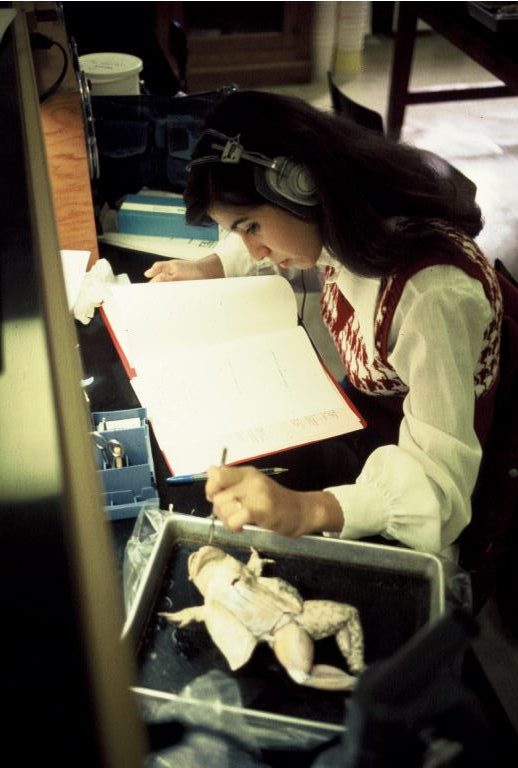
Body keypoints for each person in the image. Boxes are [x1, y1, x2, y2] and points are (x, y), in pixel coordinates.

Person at [144, 90, 503, 562]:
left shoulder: (432, 295)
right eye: (238, 232)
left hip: (412, 477)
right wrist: (213, 265)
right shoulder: (347, 223)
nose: (254, 250)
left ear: (302, 185)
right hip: (365, 419)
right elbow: (287, 249)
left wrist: (306, 510)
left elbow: (439, 490)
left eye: (251, 227)